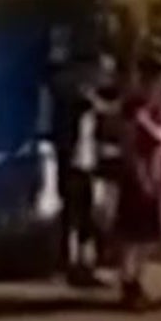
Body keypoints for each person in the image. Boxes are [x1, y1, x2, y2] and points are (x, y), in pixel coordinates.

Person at [113, 56, 161, 309]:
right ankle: (128, 284)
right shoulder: (133, 106)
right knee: (131, 234)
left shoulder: (158, 107)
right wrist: (138, 173)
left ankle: (137, 279)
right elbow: (128, 143)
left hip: (156, 170)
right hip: (136, 173)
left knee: (152, 232)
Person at [49, 57, 105, 287]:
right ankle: (73, 264)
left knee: (85, 217)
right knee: (75, 215)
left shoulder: (82, 108)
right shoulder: (73, 107)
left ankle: (82, 263)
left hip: (85, 165)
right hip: (75, 166)